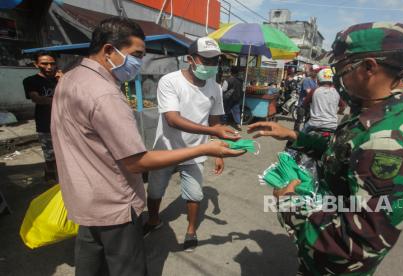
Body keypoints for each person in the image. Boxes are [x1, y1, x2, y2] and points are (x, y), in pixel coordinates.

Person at [51, 17, 243, 276]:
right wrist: (206, 147)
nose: (140, 63)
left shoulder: (71, 78)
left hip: (85, 199)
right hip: (114, 204)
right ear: (109, 50)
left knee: (91, 265)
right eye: (137, 55)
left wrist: (212, 142)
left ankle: (189, 229)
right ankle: (153, 220)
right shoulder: (106, 95)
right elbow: (137, 161)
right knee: (127, 265)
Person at [248, 22, 403, 275]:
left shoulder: (388, 142)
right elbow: (346, 154)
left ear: (369, 67)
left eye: (342, 68)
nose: (337, 78)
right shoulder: (376, 112)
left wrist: (290, 203)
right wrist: (294, 135)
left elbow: (354, 246)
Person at [145, 37, 241, 251]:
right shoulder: (170, 81)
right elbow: (173, 119)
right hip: (166, 148)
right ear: (190, 59)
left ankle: (191, 230)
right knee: (155, 190)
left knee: (195, 194)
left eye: (215, 60)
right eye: (205, 60)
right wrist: (212, 132)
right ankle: (153, 221)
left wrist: (218, 151)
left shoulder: (215, 87)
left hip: (197, 150)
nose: (211, 65)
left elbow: (215, 120)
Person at [23, 51, 62, 182]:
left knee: (66, 155)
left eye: (52, 63)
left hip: (65, 123)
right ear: (36, 64)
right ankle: (51, 181)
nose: (49, 67)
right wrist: (59, 100)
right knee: (50, 156)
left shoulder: (61, 78)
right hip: (45, 124)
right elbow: (37, 99)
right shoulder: (30, 81)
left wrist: (63, 80)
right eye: (44, 64)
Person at [303, 68, 344, 133]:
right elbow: (342, 106)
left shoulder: (314, 91)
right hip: (332, 126)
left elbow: (305, 104)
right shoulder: (336, 92)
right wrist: (337, 112)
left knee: (300, 139)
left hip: (314, 125)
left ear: (318, 80)